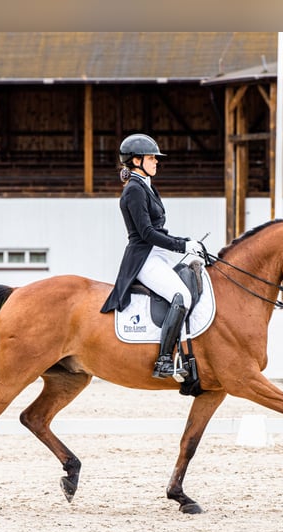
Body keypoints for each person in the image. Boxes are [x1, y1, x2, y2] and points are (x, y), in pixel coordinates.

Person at [100, 133, 202, 379]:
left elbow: (157, 232)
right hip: (143, 257)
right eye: (151, 158)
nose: (156, 162)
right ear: (136, 161)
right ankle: (164, 360)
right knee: (182, 296)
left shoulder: (146, 186)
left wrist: (188, 243)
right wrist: (181, 245)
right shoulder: (134, 190)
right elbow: (146, 233)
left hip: (157, 254)